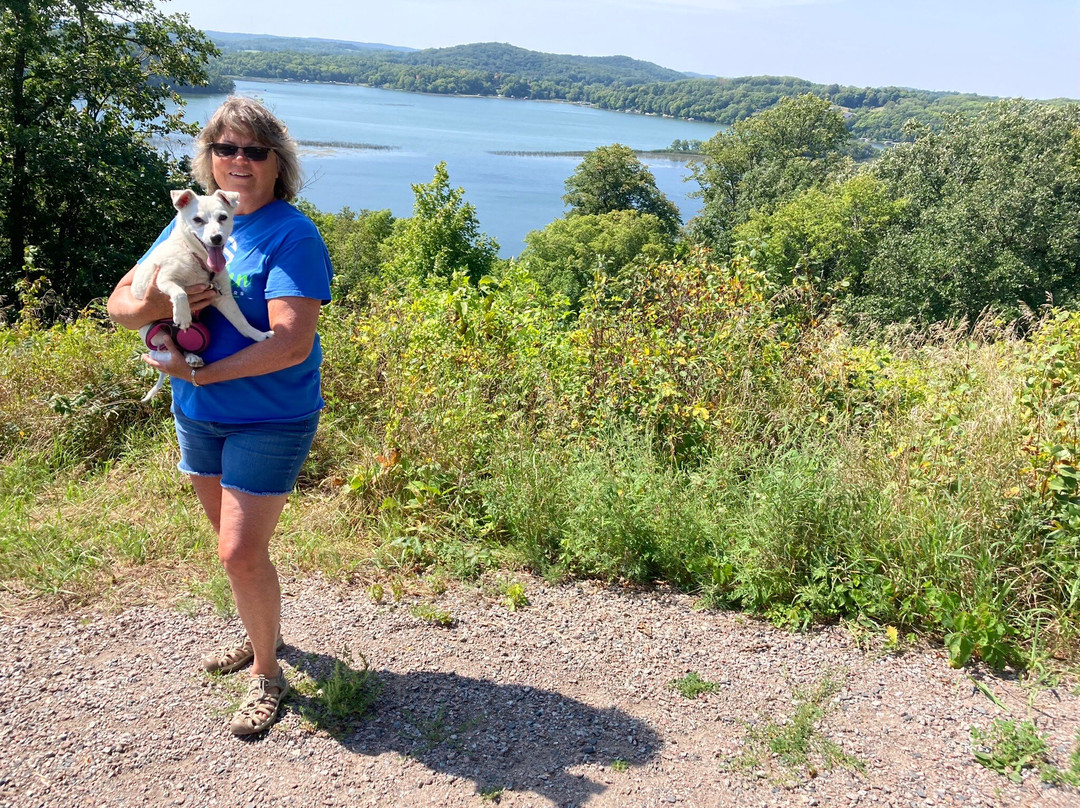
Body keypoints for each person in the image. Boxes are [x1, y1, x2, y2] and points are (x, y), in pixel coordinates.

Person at [108, 96, 333, 736]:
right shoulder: (191, 220)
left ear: (276, 163)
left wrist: (198, 370)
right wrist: (158, 301)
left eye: (254, 150)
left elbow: (290, 343)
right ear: (208, 159)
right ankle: (264, 639)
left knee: (238, 549)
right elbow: (120, 307)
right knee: (234, 548)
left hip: (270, 416)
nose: (238, 160)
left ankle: (267, 675)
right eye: (226, 148)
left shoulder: (293, 234)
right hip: (198, 413)